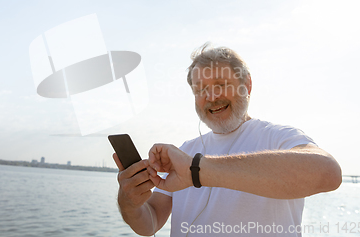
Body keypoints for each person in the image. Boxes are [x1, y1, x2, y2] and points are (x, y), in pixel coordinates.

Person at [113, 42, 342, 236]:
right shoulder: (185, 151)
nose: (211, 97)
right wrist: (129, 203)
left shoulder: (279, 138)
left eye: (220, 85)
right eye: (200, 90)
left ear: (247, 85)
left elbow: (328, 174)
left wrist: (197, 170)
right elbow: (150, 222)